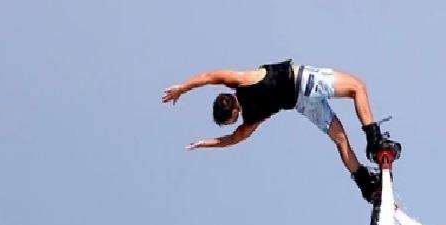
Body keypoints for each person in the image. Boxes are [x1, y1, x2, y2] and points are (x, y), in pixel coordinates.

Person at [161, 60, 392, 202]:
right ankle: (374, 141)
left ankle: (367, 185)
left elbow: (230, 140)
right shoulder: (243, 80)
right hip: (303, 81)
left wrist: (205, 143)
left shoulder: (249, 121)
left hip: (302, 105)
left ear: (232, 115)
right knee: (357, 87)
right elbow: (210, 76)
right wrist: (183, 88)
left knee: (341, 141)